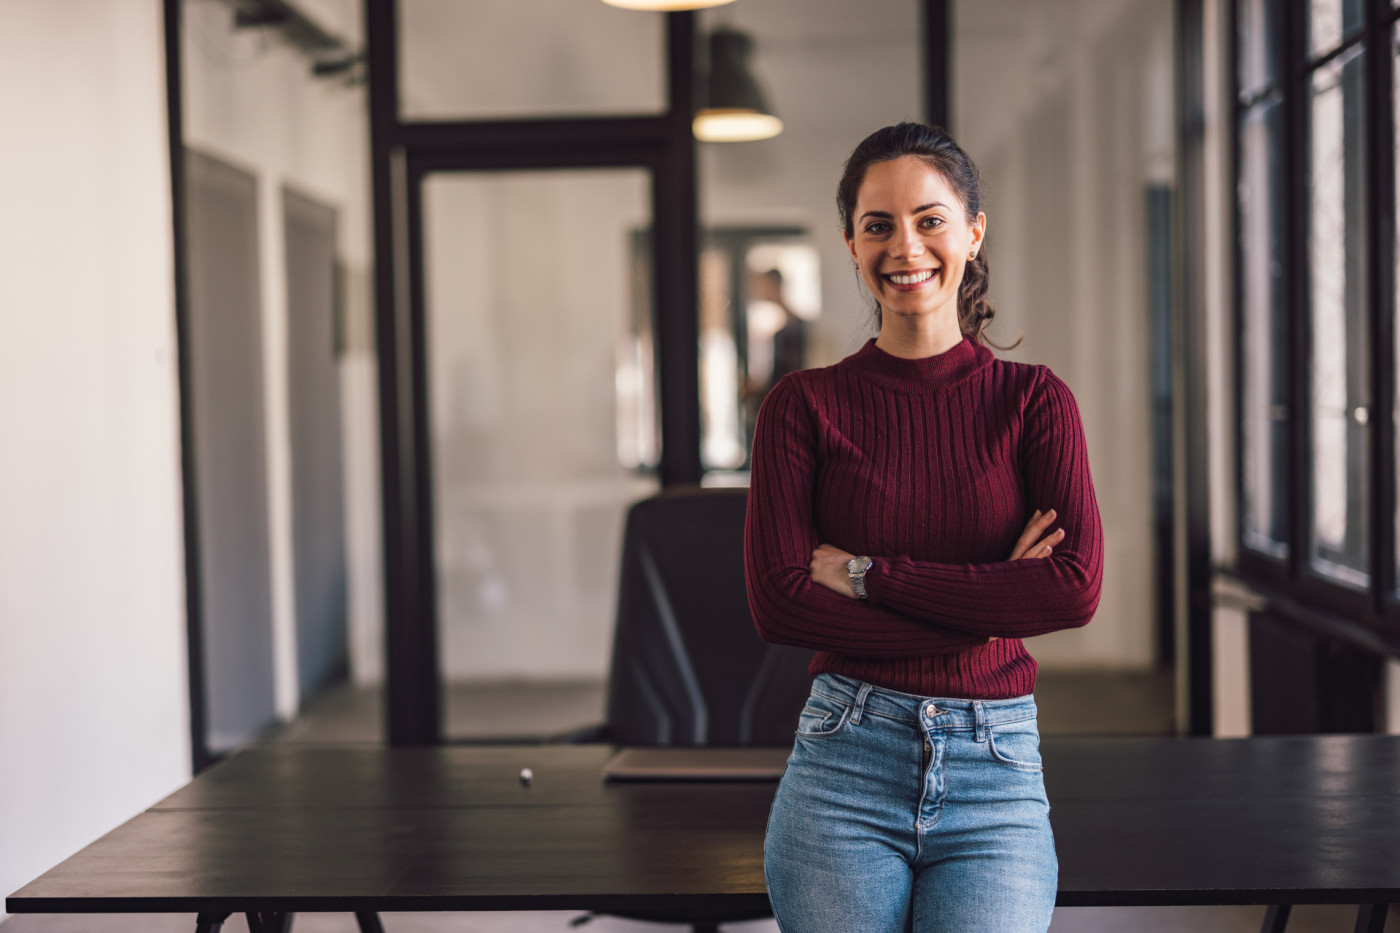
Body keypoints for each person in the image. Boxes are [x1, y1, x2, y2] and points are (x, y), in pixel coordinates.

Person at [743, 122, 1104, 933]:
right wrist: (989, 606)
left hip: (996, 772)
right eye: (879, 224)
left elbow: (1073, 587)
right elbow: (779, 604)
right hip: (844, 762)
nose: (906, 245)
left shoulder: (1035, 402)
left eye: (930, 218)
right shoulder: (801, 408)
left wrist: (870, 574)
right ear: (850, 243)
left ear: (973, 232)